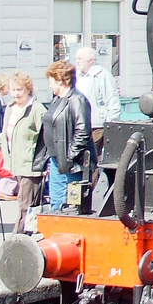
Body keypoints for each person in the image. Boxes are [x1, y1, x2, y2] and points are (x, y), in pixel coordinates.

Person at [0, 72, 46, 235]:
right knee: (25, 203)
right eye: (13, 90)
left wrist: (44, 163)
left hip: (30, 164)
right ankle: (23, 236)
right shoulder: (10, 107)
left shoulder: (36, 109)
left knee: (24, 203)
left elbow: (47, 136)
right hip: (16, 163)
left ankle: (17, 237)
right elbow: (7, 132)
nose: (16, 93)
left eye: (20, 89)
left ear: (28, 89)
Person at [42, 60, 93, 212]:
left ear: (60, 80)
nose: (49, 85)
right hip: (56, 159)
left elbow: (83, 131)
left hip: (71, 163)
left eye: (51, 81)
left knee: (70, 204)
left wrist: (70, 156)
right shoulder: (56, 100)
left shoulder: (77, 99)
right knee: (56, 202)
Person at [74, 46, 120, 157]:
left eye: (80, 59)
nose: (77, 61)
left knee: (92, 158)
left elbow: (112, 101)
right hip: (79, 124)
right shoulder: (77, 75)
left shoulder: (103, 75)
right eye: (76, 58)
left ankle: (92, 175)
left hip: (96, 126)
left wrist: (110, 126)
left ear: (90, 60)